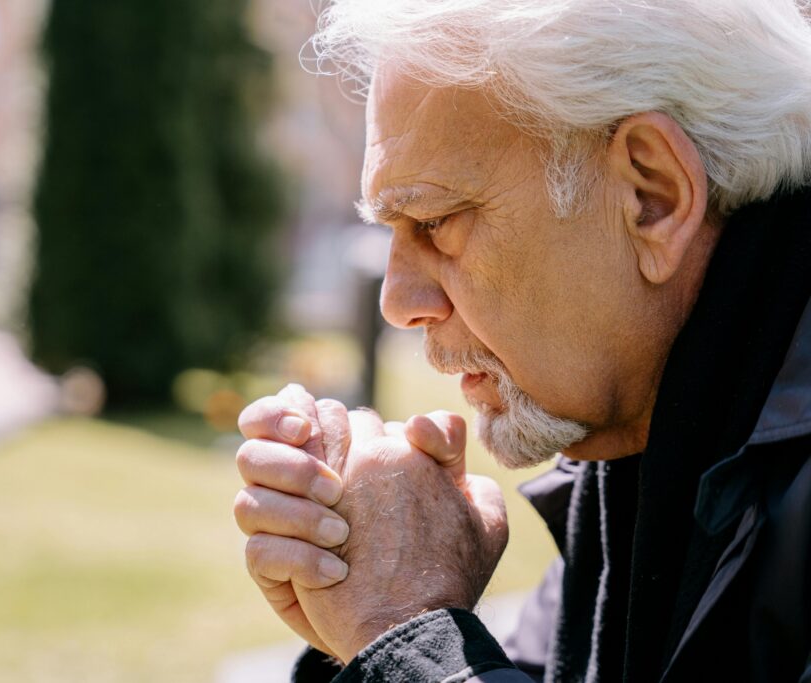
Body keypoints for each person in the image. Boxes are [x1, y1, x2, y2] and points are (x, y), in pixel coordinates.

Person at [232, 1, 811, 680]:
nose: (398, 300)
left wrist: (403, 628)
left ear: (652, 195)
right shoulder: (635, 436)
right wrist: (358, 623)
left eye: (437, 219)